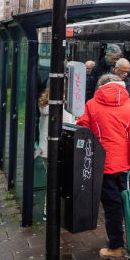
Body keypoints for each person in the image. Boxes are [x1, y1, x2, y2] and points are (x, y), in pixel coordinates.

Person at [76, 74, 130, 260]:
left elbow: (82, 132)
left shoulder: (91, 104)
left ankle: (115, 247)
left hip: (103, 166)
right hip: (127, 168)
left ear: (100, 86)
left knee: (112, 207)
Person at [36, 87, 76, 221]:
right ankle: (53, 210)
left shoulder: (44, 106)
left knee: (52, 180)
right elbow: (71, 126)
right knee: (58, 182)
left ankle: (49, 211)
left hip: (45, 150)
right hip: (58, 150)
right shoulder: (61, 109)